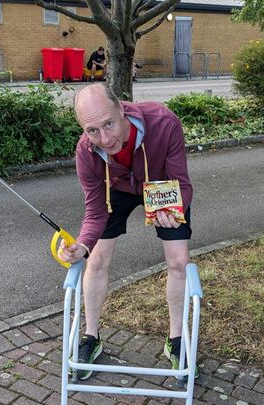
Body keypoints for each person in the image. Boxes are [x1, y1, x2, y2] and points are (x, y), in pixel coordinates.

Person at [59, 83, 196, 380]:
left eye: (109, 123)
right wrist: (81, 246)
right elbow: (95, 212)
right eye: (92, 130)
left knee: (179, 262)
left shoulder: (163, 122)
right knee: (95, 259)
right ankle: (91, 337)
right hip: (116, 189)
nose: (104, 138)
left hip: (161, 185)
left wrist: (174, 211)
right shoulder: (86, 152)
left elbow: (182, 185)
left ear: (122, 109)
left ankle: (175, 341)